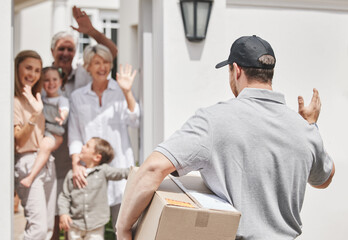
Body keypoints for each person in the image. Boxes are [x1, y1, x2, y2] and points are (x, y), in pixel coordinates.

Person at [116, 35, 335, 240]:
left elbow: (153, 169)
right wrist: (311, 125)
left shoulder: (214, 120)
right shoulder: (303, 129)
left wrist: (124, 229)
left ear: (236, 70)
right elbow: (324, 178)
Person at [50, 6, 118, 239]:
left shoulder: (82, 73)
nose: (66, 53)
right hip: (54, 152)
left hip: (81, 151)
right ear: (53, 51)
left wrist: (91, 32)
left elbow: (110, 52)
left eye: (70, 48)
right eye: (62, 49)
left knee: (81, 207)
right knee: (54, 211)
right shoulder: (47, 78)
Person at [68, 44, 140, 234]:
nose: (102, 67)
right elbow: (74, 134)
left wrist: (127, 92)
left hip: (120, 166)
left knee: (124, 226)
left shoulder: (121, 91)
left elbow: (135, 120)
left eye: (107, 62)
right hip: (90, 170)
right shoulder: (77, 97)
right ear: (88, 67)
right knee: (88, 229)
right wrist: (76, 164)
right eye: (97, 62)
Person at [14, 50, 57, 239]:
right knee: (37, 229)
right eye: (28, 68)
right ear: (18, 68)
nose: (32, 74)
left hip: (47, 162)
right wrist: (34, 115)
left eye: (37, 70)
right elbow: (19, 140)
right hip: (27, 161)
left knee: (47, 229)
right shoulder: (14, 101)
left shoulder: (38, 97)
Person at [58, 137, 129, 240]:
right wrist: (63, 213)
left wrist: (141, 170)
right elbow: (64, 196)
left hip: (96, 225)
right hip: (75, 224)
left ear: (96, 157)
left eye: (87, 146)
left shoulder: (103, 171)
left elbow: (121, 173)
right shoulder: (73, 174)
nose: (82, 147)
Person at [20, 66, 69, 189]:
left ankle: (30, 177)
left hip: (53, 131)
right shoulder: (41, 98)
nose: (51, 83)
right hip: (42, 129)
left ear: (60, 81)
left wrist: (62, 115)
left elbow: (64, 109)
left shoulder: (61, 99)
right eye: (47, 80)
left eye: (54, 79)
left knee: (45, 147)